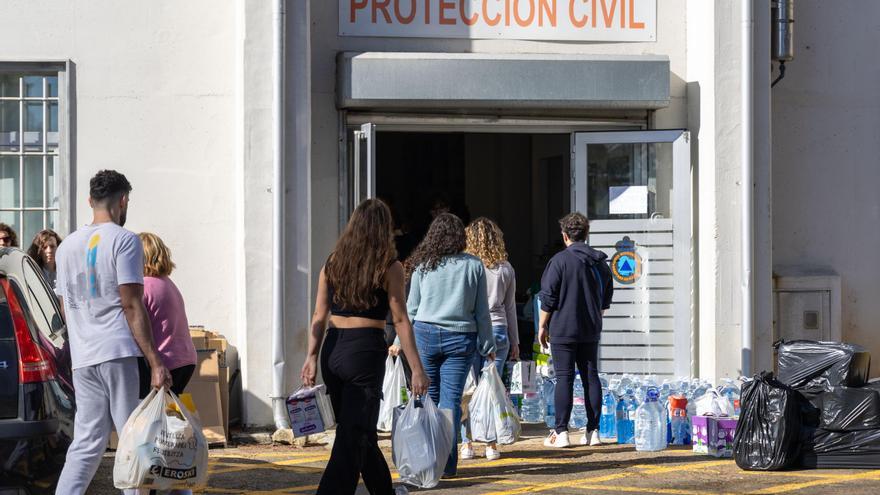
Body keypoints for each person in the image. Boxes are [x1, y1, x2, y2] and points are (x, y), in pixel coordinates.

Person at [54, 170, 172, 495]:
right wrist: (155, 360)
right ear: (122, 201)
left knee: (87, 441)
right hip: (118, 352)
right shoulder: (125, 240)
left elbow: (65, 309)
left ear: (90, 201)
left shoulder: (65, 248)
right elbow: (132, 305)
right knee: (133, 436)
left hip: (84, 355)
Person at [301, 198, 429, 495]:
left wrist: (310, 357)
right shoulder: (390, 266)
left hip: (332, 350)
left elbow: (319, 316)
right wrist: (417, 369)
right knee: (353, 433)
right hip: (365, 350)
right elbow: (400, 320)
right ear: (384, 229)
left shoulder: (333, 263)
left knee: (361, 432)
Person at [405, 213, 496, 478]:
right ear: (460, 237)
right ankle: (448, 464)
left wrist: (400, 341)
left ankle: (428, 461)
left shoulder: (423, 265)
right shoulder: (474, 265)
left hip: (425, 335)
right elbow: (482, 311)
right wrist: (488, 343)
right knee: (451, 402)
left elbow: (411, 308)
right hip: (461, 337)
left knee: (427, 399)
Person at [538, 212, 613, 448]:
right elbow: (605, 298)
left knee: (564, 378)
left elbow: (548, 298)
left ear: (564, 235)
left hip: (563, 328)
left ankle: (561, 433)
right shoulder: (599, 262)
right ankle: (594, 431)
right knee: (591, 376)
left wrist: (542, 326)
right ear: (586, 234)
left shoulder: (559, 261)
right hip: (590, 328)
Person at [459, 217, 519, 461]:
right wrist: (515, 340)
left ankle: (467, 443)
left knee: (470, 390)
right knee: (493, 389)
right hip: (499, 330)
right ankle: (492, 444)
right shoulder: (505, 268)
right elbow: (511, 306)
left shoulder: (466, 267)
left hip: (472, 329)